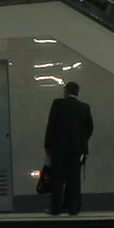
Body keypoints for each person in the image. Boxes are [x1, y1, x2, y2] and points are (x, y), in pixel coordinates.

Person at [42, 80, 93, 215]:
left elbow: (51, 125)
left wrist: (48, 144)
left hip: (59, 148)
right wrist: (82, 141)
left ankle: (55, 208)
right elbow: (89, 128)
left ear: (66, 91)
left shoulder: (58, 104)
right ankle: (73, 208)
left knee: (58, 179)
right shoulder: (85, 107)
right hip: (76, 149)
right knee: (74, 179)